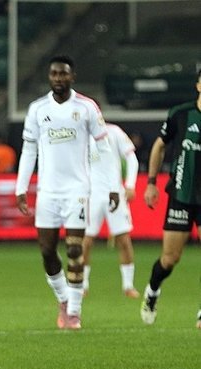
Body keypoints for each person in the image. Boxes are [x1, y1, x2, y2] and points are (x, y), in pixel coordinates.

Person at [15, 55, 119, 330]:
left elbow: (104, 149)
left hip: (77, 190)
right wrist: (21, 187)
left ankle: (74, 311)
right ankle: (63, 298)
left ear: (72, 77)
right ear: (49, 77)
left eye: (63, 74)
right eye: (54, 74)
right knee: (47, 251)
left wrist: (113, 186)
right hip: (48, 192)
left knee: (74, 248)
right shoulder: (38, 109)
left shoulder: (86, 107)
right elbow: (29, 149)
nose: (58, 78)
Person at [140, 69, 201, 328]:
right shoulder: (180, 114)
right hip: (181, 195)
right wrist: (151, 183)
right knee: (170, 258)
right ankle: (152, 291)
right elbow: (159, 146)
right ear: (198, 85)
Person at [83, 122, 140, 298]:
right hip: (90, 195)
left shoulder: (114, 132)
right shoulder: (81, 134)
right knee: (85, 241)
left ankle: (128, 286)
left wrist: (130, 184)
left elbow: (132, 158)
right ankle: (82, 285)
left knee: (123, 240)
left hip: (115, 192)